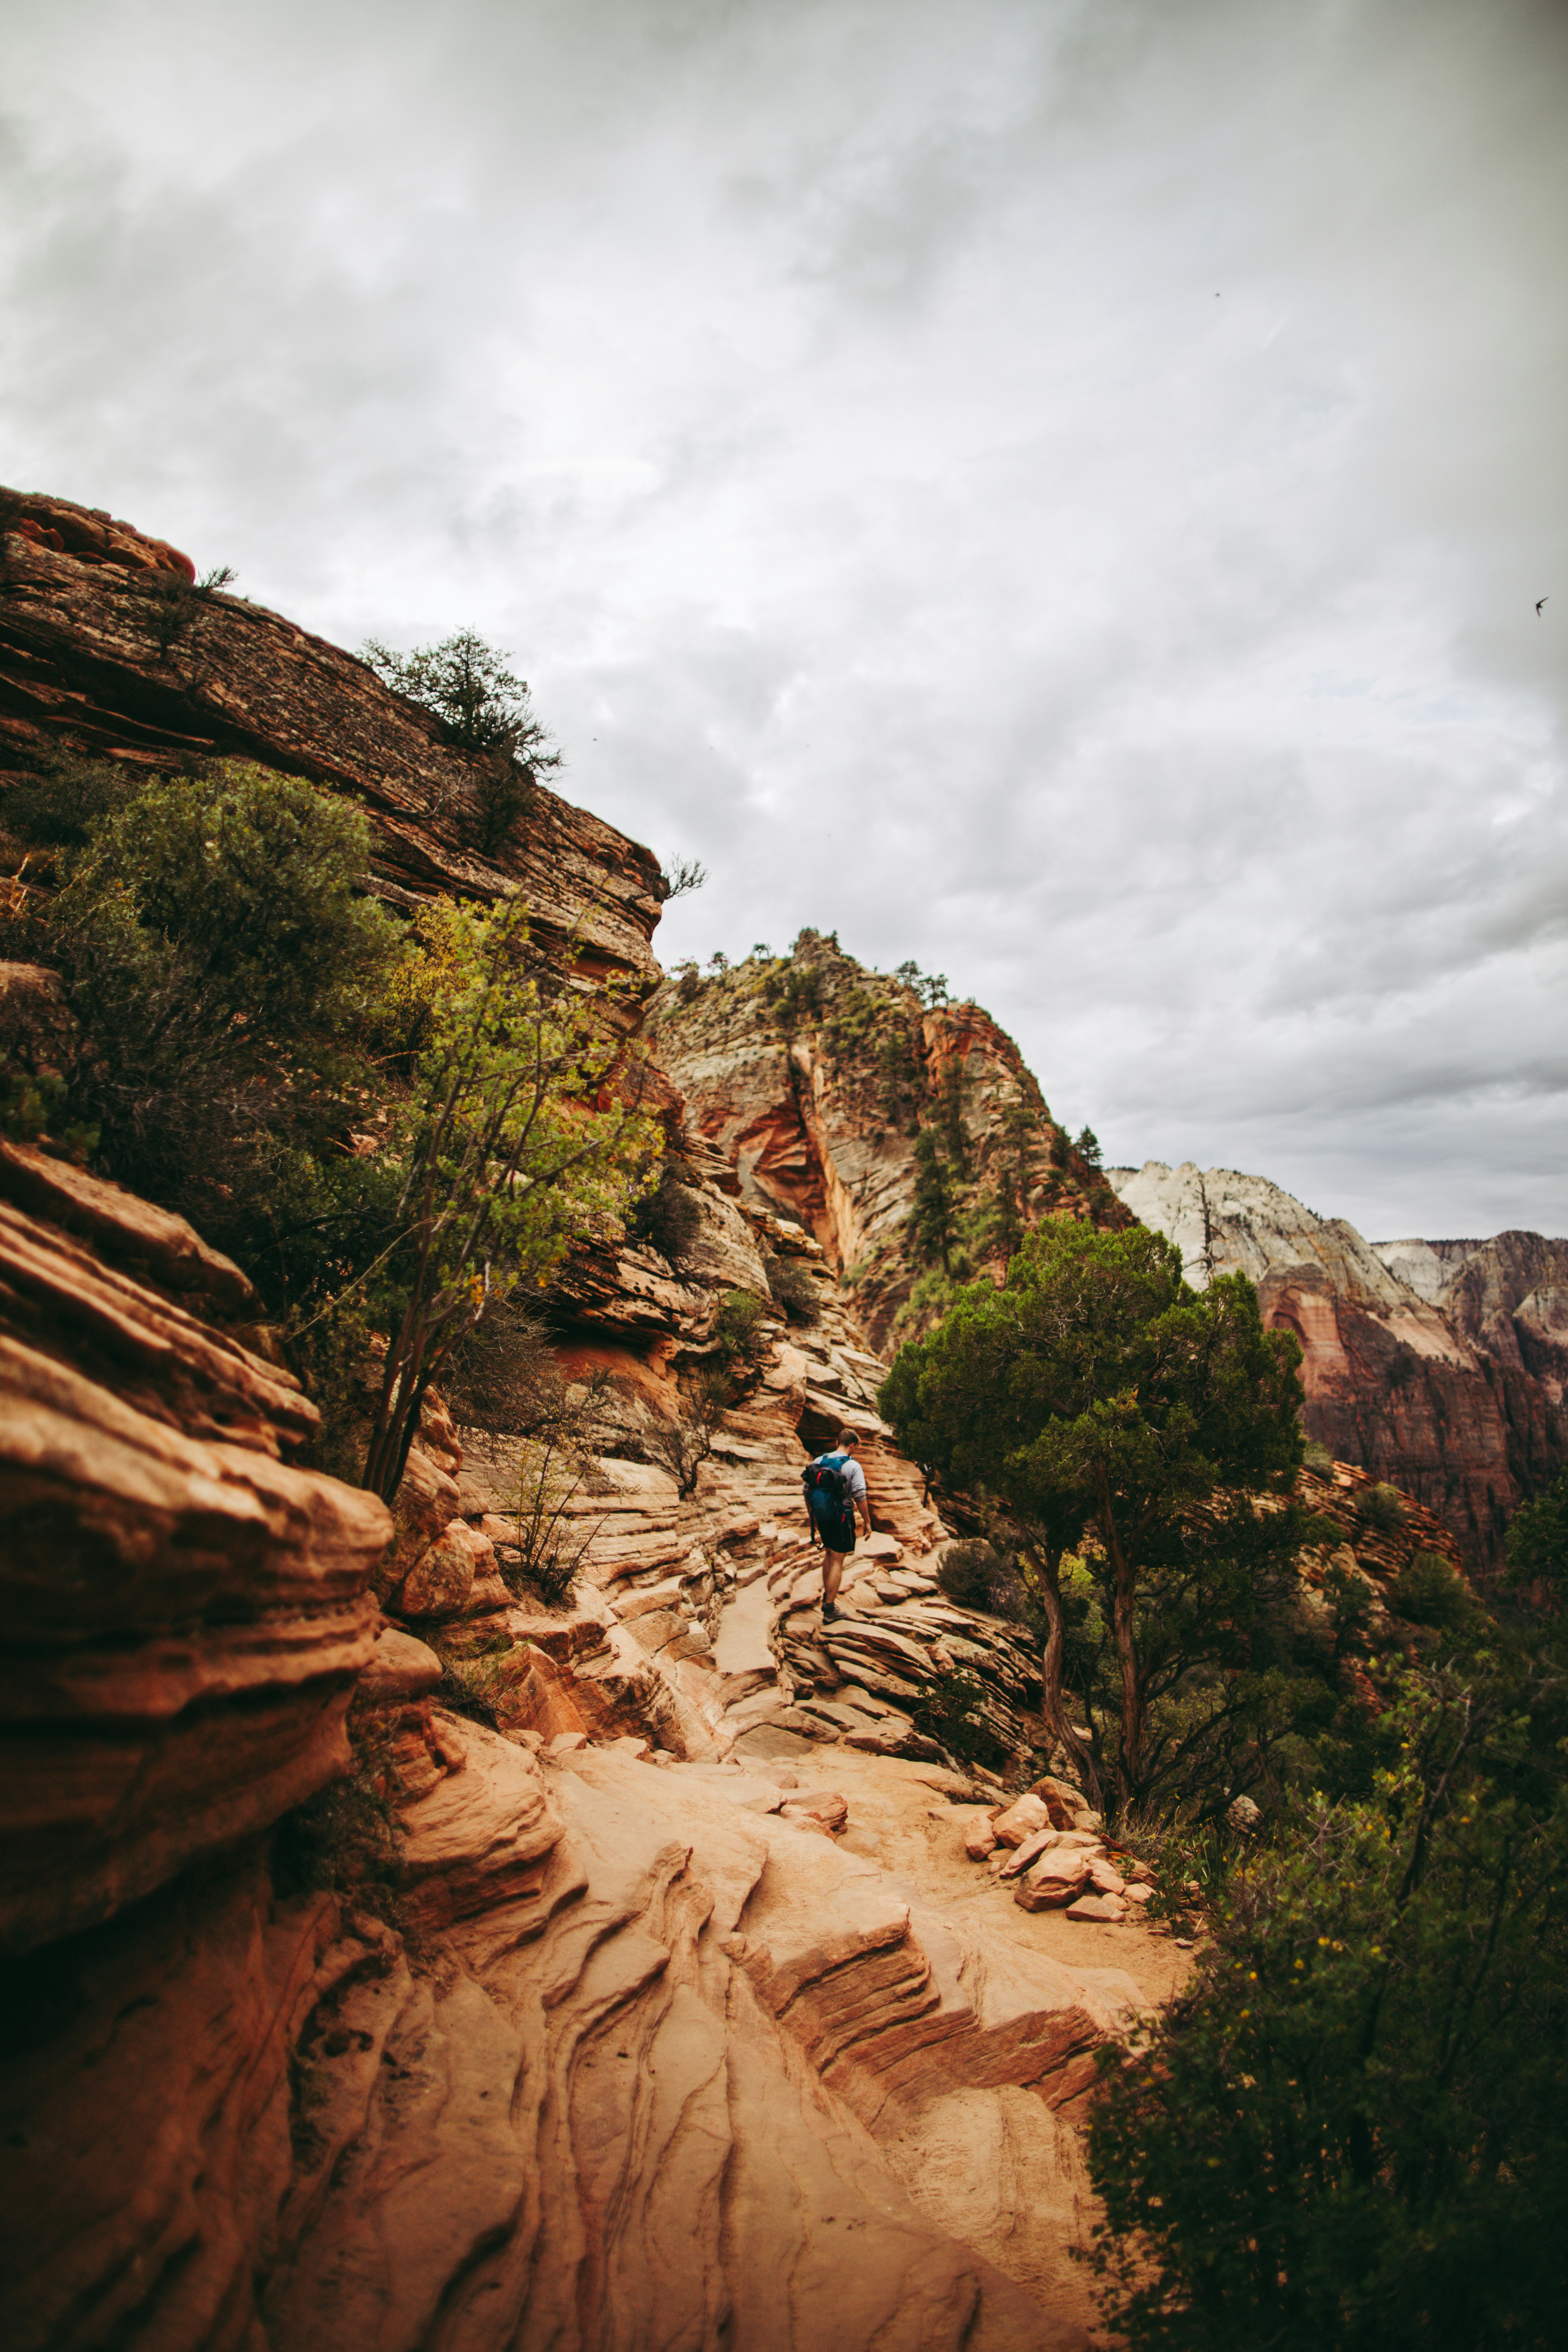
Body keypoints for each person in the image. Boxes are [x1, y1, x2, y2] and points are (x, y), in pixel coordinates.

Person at [805, 1429, 872, 1620]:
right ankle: (829, 1609)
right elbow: (860, 1495)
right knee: (837, 1559)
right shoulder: (853, 1465)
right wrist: (868, 1522)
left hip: (823, 1515)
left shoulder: (819, 1461)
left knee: (829, 1554)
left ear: (837, 1442)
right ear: (853, 1446)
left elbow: (807, 1488)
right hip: (842, 1517)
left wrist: (813, 1516)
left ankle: (828, 1598)